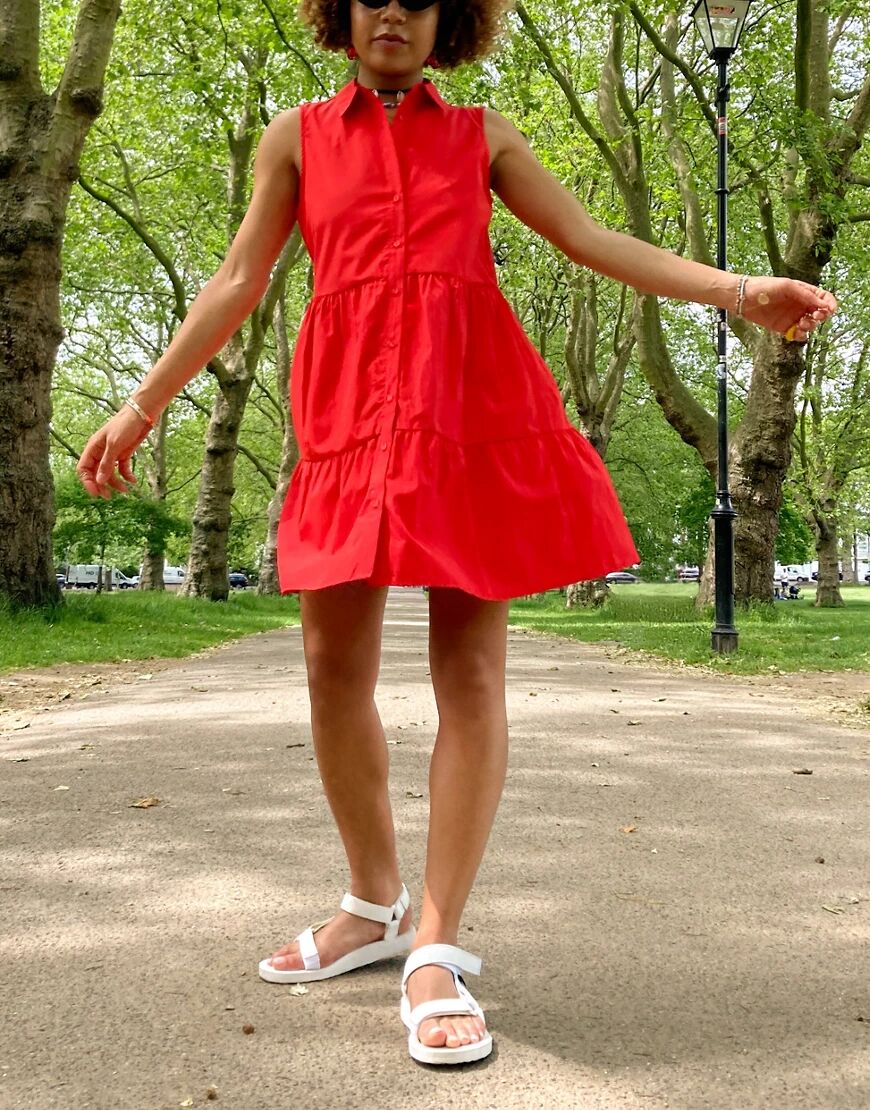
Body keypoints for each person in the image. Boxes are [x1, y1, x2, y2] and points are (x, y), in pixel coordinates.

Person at [76, 0, 837, 1067]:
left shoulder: (484, 137)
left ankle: (434, 945)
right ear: (342, 14)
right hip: (347, 415)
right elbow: (240, 279)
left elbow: (588, 239)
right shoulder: (295, 135)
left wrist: (740, 290)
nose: (394, 9)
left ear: (450, 21)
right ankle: (372, 904)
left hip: (472, 409)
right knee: (330, 665)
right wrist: (141, 404)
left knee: (468, 673)